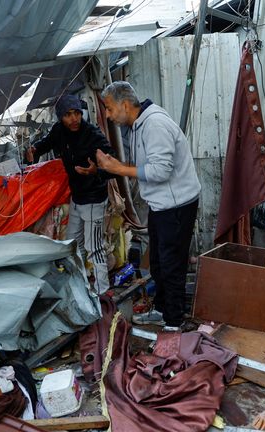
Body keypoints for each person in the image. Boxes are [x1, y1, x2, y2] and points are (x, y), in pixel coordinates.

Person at [95, 81, 201, 332]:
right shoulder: (138, 125)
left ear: (124, 104)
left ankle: (174, 323)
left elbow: (160, 170)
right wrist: (109, 168)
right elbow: (144, 165)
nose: (108, 115)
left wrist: (119, 169)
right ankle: (164, 311)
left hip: (176, 205)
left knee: (172, 263)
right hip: (162, 204)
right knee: (158, 262)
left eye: (109, 109)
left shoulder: (154, 125)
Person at [26, 94, 113, 294]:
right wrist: (34, 149)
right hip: (77, 196)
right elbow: (46, 143)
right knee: (74, 243)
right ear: (60, 117)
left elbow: (113, 162)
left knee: (95, 247)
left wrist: (96, 171)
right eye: (68, 115)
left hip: (94, 198)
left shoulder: (93, 135)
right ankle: (81, 285)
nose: (74, 119)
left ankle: (103, 292)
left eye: (76, 113)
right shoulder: (59, 131)